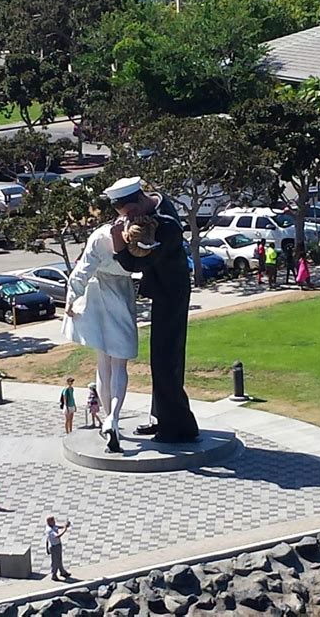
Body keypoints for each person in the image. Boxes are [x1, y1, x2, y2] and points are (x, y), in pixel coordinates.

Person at [109, 177, 199, 443]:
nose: (130, 220)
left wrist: (117, 241)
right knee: (161, 360)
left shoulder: (166, 225)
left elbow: (134, 264)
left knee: (166, 361)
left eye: (131, 214)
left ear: (139, 200)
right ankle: (164, 419)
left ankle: (178, 428)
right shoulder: (154, 205)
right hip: (163, 292)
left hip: (172, 292)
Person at [62, 216, 140, 453]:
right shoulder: (138, 246)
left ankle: (110, 419)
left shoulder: (99, 238)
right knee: (118, 365)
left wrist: (70, 299)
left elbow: (81, 273)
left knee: (103, 362)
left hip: (96, 294)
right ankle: (113, 418)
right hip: (118, 296)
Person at [45, 515, 71, 581]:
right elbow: (57, 536)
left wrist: (65, 526)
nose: (54, 522)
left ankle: (62, 572)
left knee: (59, 559)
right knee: (55, 561)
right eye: (52, 520)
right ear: (49, 522)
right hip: (54, 547)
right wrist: (64, 530)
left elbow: (57, 527)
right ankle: (54, 575)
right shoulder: (49, 530)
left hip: (58, 545)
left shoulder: (53, 526)